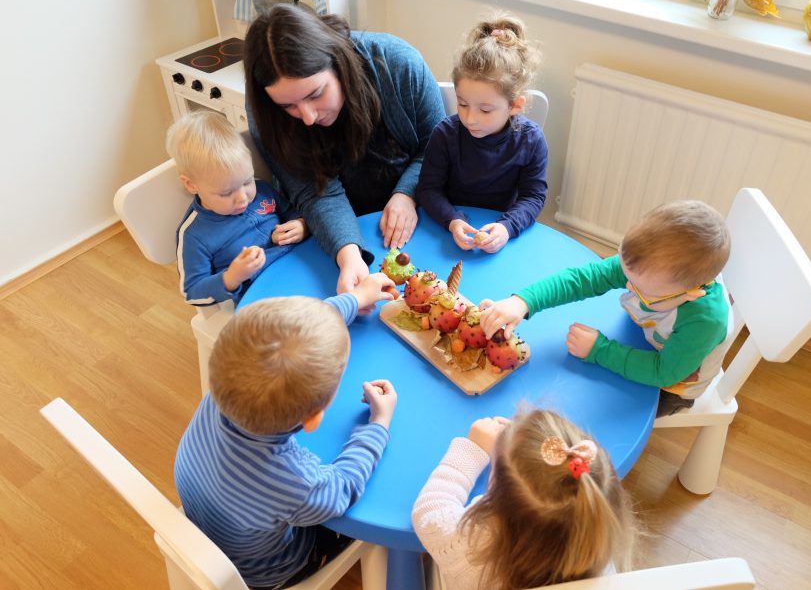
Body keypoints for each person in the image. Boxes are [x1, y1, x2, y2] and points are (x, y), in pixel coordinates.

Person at [175, 277, 398, 590]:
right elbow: (342, 489)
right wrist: (378, 425)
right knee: (366, 518)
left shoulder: (225, 384)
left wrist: (356, 297)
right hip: (270, 571)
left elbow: (286, 334)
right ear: (313, 419)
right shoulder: (296, 481)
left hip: (210, 520)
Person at [244, 0, 446, 298]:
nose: (309, 118)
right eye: (289, 106)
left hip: (419, 216)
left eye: (316, 94)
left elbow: (436, 147)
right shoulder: (265, 113)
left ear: (337, 62)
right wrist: (348, 254)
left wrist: (406, 193)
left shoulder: (398, 64)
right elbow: (312, 189)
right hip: (329, 229)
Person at [480, 200, 733, 417]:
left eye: (642, 290)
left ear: (692, 293)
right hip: (644, 338)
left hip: (672, 385)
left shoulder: (705, 321)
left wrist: (599, 350)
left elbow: (663, 372)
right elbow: (583, 279)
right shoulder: (649, 270)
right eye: (626, 277)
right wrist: (523, 302)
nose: (629, 289)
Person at [412, 409, 636, 590]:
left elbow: (429, 510)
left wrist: (473, 449)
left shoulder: (471, 544)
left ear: (498, 498)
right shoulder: (596, 545)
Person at [416, 13, 548, 253]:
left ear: (515, 106)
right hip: (445, 231)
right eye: (462, 104)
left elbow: (533, 196)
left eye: (485, 110)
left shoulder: (531, 140)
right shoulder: (445, 134)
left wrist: (508, 227)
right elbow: (428, 189)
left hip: (502, 234)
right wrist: (452, 220)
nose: (470, 118)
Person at [168, 111, 307, 306]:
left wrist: (301, 225)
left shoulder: (262, 189)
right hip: (262, 298)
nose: (243, 198)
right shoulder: (194, 235)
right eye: (226, 193)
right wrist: (233, 277)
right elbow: (192, 292)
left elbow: (293, 210)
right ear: (192, 185)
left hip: (299, 266)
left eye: (247, 181)